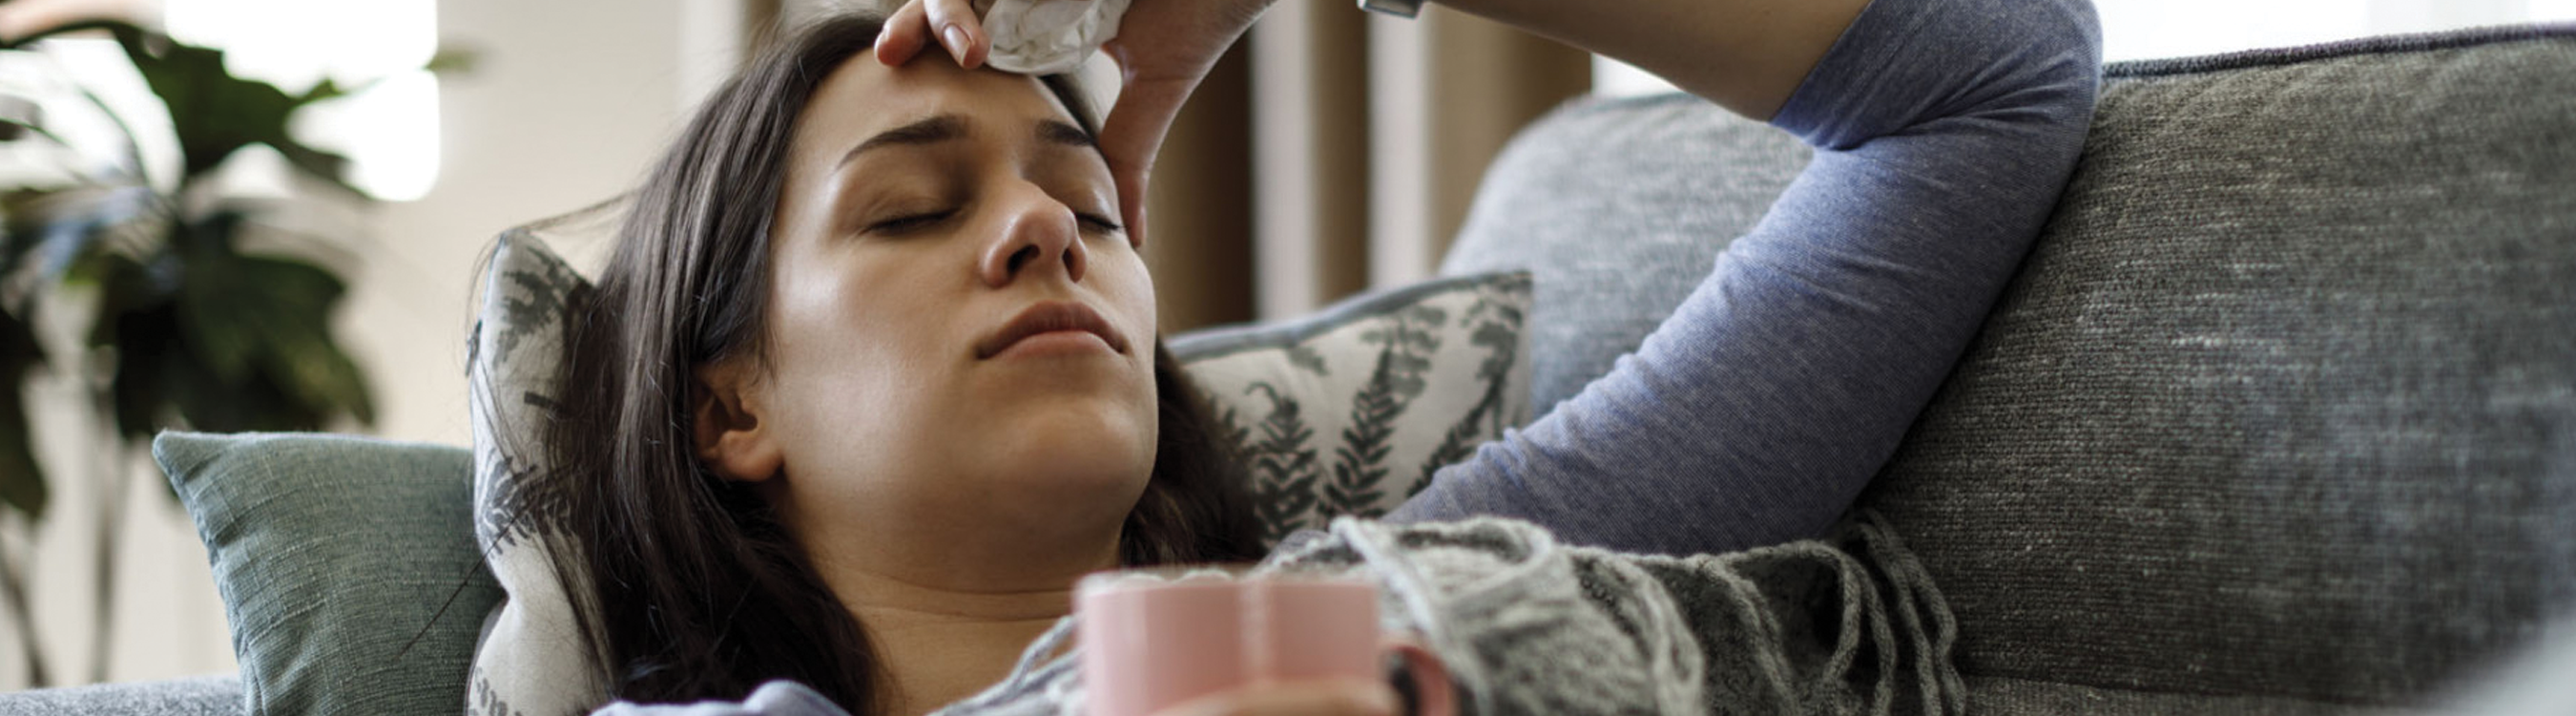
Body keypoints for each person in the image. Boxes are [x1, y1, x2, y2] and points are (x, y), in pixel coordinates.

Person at [537, 0, 2104, 711]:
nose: (1045, 229)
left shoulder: (1414, 589)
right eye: (910, 210)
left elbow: (1993, 72)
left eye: (1088, 199)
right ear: (730, 404)